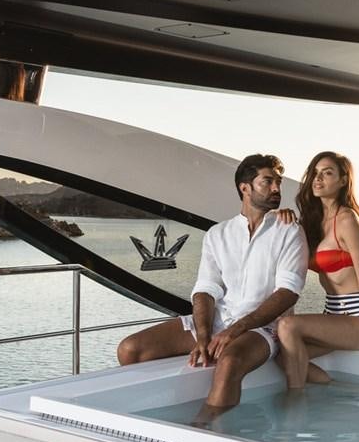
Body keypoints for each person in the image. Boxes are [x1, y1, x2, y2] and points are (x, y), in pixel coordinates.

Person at [115, 154, 307, 409]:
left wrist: (234, 331)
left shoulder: (289, 230)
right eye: (268, 181)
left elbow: (288, 292)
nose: (276, 189)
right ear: (245, 187)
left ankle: (204, 429)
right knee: (130, 349)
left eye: (278, 183)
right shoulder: (218, 234)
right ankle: (165, 408)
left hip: (262, 328)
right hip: (218, 320)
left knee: (229, 361)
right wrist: (204, 336)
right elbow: (206, 289)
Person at [275, 151, 359, 389]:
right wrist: (280, 216)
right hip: (333, 314)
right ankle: (337, 391)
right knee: (282, 354)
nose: (318, 179)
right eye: (315, 173)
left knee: (288, 326)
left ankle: (294, 403)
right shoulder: (313, 222)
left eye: (327, 173)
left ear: (342, 181)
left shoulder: (348, 220)